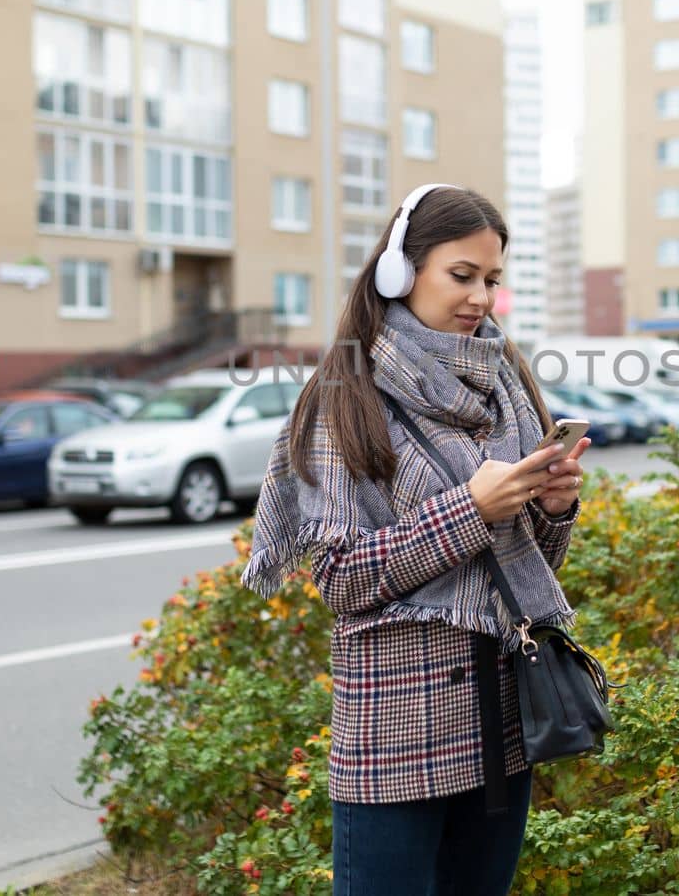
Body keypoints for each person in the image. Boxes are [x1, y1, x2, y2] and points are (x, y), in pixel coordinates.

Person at [244, 183, 589, 896]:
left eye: (491, 279)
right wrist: (472, 507)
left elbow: (524, 571)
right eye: (461, 276)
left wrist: (551, 510)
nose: (480, 299)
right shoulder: (345, 397)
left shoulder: (509, 384)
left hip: (502, 720)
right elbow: (339, 578)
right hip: (396, 738)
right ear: (401, 272)